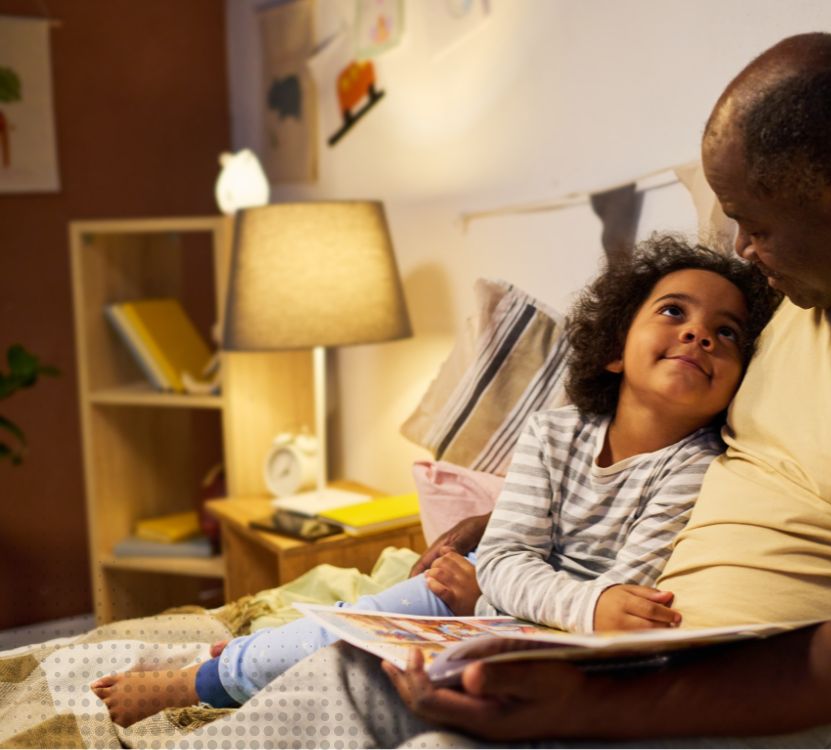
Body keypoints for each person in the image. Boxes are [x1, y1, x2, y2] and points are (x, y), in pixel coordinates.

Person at [374, 32, 831, 747]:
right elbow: (660, 451)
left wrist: (584, 704)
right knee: (361, 678)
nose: (743, 250)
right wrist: (503, 530)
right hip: (646, 663)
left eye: (757, 226)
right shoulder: (800, 301)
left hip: (815, 710)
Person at [90, 235, 780, 728]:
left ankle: (238, 663)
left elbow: (623, 599)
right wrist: (526, 590)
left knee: (390, 657)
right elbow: (514, 556)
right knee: (368, 619)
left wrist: (514, 594)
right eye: (673, 313)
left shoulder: (697, 466)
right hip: (494, 593)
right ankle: (203, 679)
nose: (700, 337)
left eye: (727, 332)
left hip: (536, 631)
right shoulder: (551, 431)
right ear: (612, 352)